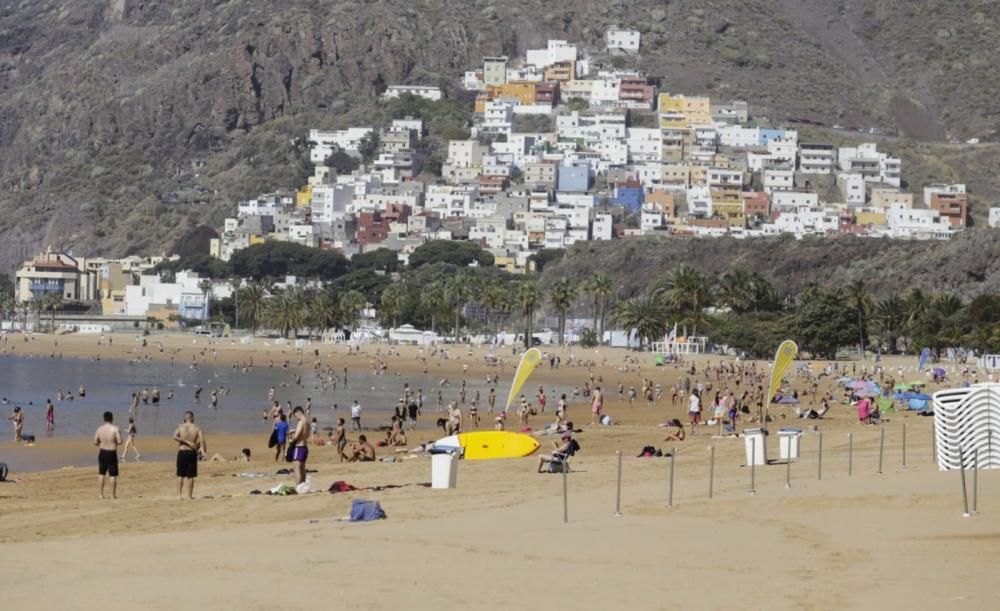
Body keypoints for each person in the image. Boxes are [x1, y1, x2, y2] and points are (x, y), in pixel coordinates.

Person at [173, 411, 206, 500]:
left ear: (185, 418)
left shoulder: (180, 427)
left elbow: (174, 436)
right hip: (191, 452)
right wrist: (204, 452)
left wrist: (184, 441)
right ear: (192, 418)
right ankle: (189, 496)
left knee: (180, 474)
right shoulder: (197, 428)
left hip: (182, 451)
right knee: (190, 476)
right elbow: (202, 440)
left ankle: (179, 495)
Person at [95, 411, 122, 499]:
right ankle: (112, 495)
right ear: (112, 419)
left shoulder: (99, 429)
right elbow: (120, 441)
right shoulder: (115, 429)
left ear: (104, 419)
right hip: (111, 452)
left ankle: (100, 494)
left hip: (102, 452)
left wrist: (102, 443)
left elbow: (95, 442)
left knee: (101, 474)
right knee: (112, 475)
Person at [288, 406, 309, 485]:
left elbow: (296, 436)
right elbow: (305, 434)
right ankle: (302, 485)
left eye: (295, 416)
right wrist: (294, 430)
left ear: (298, 412)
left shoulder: (301, 422)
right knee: (302, 468)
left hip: (299, 447)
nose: (296, 418)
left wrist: (291, 439)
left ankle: (298, 486)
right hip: (304, 447)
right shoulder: (307, 422)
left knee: (296, 468)